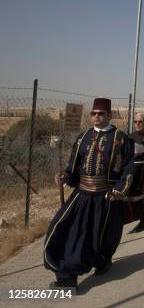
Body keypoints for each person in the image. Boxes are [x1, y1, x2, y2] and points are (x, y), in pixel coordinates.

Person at [44, 98, 134, 289]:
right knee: (67, 230)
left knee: (103, 235)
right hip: (82, 194)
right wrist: (64, 176)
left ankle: (102, 260)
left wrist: (120, 189)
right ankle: (68, 276)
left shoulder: (121, 138)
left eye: (100, 114)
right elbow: (73, 165)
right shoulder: (83, 137)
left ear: (109, 116)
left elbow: (128, 167)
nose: (96, 116)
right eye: (93, 113)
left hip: (106, 196)